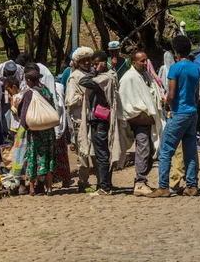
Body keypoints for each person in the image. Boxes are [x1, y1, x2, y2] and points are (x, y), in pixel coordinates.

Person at [148, 36, 200, 198]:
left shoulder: (175, 68)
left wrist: (166, 104)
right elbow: (197, 94)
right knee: (190, 151)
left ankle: (163, 186)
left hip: (179, 113)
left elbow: (171, 93)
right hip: (192, 112)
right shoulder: (195, 68)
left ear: (175, 51)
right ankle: (191, 185)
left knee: (166, 150)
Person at [78, 51, 126, 196]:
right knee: (102, 153)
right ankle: (106, 184)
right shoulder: (107, 76)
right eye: (92, 65)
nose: (94, 67)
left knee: (102, 154)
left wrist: (93, 71)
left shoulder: (105, 78)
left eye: (96, 64)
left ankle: (105, 186)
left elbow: (83, 81)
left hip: (101, 121)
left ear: (104, 63)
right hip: (98, 119)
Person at [120, 51, 166, 196]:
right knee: (143, 148)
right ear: (134, 63)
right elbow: (126, 101)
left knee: (151, 150)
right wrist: (140, 113)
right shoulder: (129, 78)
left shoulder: (145, 76)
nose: (145, 63)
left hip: (149, 119)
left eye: (146, 60)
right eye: (142, 61)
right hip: (138, 119)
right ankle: (140, 182)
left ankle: (142, 179)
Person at [16, 69, 56, 196]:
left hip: (35, 132)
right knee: (48, 157)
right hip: (49, 131)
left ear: (28, 80)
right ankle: (49, 188)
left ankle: (32, 189)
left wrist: (24, 126)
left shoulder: (29, 94)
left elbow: (23, 113)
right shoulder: (46, 91)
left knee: (33, 157)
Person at [65, 46, 96, 192]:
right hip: (80, 120)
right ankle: (83, 182)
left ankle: (102, 179)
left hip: (94, 117)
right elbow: (70, 101)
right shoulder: (74, 77)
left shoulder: (93, 74)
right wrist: (85, 94)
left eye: (89, 60)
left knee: (96, 150)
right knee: (83, 152)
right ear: (78, 62)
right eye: (84, 60)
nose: (87, 63)